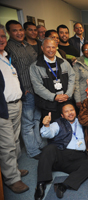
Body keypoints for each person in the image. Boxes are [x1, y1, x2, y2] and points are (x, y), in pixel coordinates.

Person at [34, 103, 88, 200]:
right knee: (49, 148)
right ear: (62, 115)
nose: (70, 113)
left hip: (77, 157)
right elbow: (48, 133)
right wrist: (46, 125)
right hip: (61, 155)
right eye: (66, 111)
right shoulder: (58, 123)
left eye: (71, 110)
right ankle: (41, 184)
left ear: (75, 111)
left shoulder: (82, 121)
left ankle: (63, 185)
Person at [5, 20, 46, 159]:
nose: (19, 33)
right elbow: (11, 72)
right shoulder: (8, 48)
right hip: (26, 91)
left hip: (37, 89)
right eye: (15, 30)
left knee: (36, 118)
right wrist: (22, 89)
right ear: (9, 33)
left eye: (20, 30)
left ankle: (39, 145)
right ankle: (33, 151)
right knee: (27, 122)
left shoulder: (29, 46)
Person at [0, 24, 29, 194]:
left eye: (3, 36)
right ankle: (12, 179)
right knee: (7, 144)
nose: (1, 39)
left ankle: (13, 170)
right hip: (3, 109)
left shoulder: (6, 56)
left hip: (16, 104)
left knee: (16, 141)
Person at [30, 38, 75, 122]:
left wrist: (68, 94)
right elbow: (37, 87)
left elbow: (72, 77)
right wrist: (54, 97)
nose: (51, 50)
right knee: (52, 130)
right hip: (49, 105)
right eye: (48, 47)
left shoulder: (64, 62)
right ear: (42, 48)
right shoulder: (36, 66)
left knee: (68, 128)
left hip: (66, 102)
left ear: (56, 48)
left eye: (53, 47)